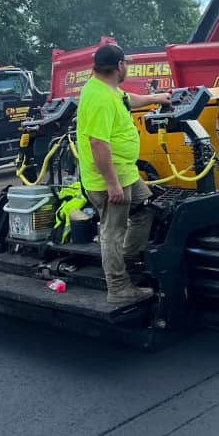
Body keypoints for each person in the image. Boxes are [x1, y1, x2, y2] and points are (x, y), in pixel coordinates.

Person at [76, 43, 172, 304]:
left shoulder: (105, 89)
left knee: (145, 208)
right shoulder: (100, 99)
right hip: (111, 179)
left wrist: (157, 99)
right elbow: (98, 143)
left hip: (126, 173)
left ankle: (126, 261)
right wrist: (113, 185)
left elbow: (127, 99)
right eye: (126, 63)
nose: (127, 67)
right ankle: (118, 287)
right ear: (119, 66)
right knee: (112, 232)